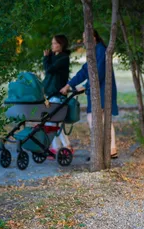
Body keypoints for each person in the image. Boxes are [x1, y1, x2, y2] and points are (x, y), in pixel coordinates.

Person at [60, 29, 118, 159]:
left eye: (87, 38)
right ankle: (109, 149)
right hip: (96, 90)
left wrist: (85, 86)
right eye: (83, 38)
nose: (85, 41)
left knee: (97, 119)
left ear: (94, 37)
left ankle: (107, 150)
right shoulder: (94, 51)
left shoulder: (100, 50)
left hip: (103, 90)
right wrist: (69, 84)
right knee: (99, 120)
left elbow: (100, 73)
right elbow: (85, 71)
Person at [42, 34, 73, 156]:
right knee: (51, 122)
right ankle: (57, 148)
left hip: (57, 93)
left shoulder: (63, 58)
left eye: (55, 43)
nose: (52, 46)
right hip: (49, 93)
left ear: (61, 45)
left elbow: (49, 70)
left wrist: (45, 58)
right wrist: (48, 58)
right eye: (52, 43)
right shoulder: (54, 57)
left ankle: (66, 146)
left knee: (54, 121)